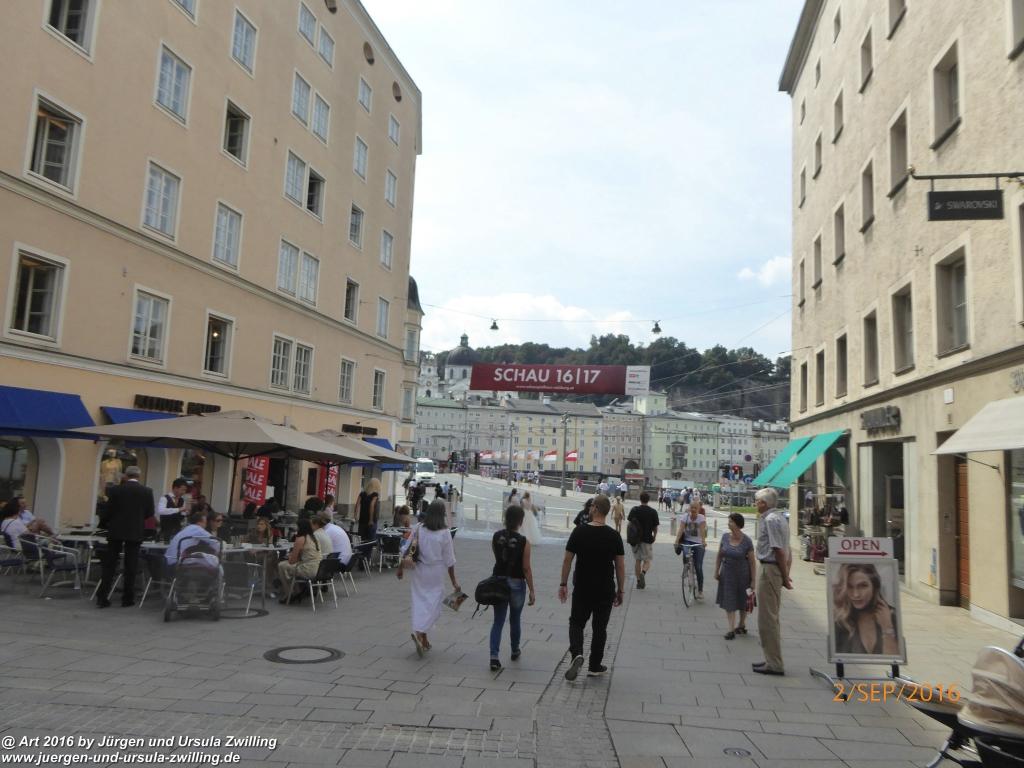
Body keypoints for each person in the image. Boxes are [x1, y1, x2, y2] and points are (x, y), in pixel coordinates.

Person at [559, 495, 625, 680]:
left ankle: (577, 654)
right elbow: (620, 566)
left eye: (591, 506)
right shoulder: (614, 536)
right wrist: (620, 590)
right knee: (600, 627)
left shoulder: (579, 532)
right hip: (605, 588)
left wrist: (563, 583)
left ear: (595, 508)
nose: (589, 509)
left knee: (577, 622)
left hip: (582, 586)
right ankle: (595, 665)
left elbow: (567, 560)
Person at [398, 500, 460, 657]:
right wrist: (454, 582)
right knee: (434, 605)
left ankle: (422, 637)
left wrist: (400, 569)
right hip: (436, 573)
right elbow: (450, 560)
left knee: (419, 602)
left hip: (419, 571)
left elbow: (406, 549)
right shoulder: (445, 533)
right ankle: (420, 634)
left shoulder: (418, 527)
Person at [95, 465, 154, 608]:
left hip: (116, 531)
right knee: (131, 565)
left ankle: (103, 596)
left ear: (125, 476)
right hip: (135, 531)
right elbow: (149, 512)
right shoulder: (146, 491)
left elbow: (108, 510)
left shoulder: (115, 490)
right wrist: (137, 518)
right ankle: (128, 598)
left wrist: (106, 523)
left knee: (110, 564)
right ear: (138, 477)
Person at [488, 505, 536, 671]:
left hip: (499, 582)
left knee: (498, 620)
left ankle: (494, 656)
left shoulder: (495, 537)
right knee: (515, 619)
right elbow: (526, 568)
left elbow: (498, 558)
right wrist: (532, 590)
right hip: (516, 583)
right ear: (520, 521)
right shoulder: (524, 542)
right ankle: (515, 649)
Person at [752, 487, 793, 676]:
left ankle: (774, 663)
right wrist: (786, 573)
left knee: (767, 619)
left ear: (764, 503)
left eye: (757, 500)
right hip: (773, 569)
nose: (755, 503)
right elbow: (787, 550)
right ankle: (771, 659)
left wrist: (785, 577)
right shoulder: (780, 518)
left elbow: (779, 550)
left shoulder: (770, 520)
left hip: (770, 569)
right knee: (770, 616)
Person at [832, 563, 899, 655]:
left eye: (863, 586)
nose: (856, 594)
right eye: (850, 587)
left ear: (874, 586)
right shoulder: (840, 620)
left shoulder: (892, 616)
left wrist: (887, 627)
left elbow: (894, 659)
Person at [714, 513, 756, 639]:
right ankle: (731, 629)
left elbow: (752, 562)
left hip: (743, 575)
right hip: (727, 574)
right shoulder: (725, 537)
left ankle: (741, 625)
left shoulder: (747, 541)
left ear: (738, 524)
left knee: (743, 600)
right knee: (729, 600)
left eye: (731, 521)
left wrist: (753, 580)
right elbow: (720, 555)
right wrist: (716, 571)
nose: (728, 523)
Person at [278, 518, 324, 604]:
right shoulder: (314, 537)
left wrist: (290, 556)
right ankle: (297, 590)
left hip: (308, 569)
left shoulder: (300, 539)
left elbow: (292, 561)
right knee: (288, 568)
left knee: (281, 565)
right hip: (319, 569)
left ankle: (289, 593)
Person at [674, 499, 708, 599]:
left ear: (699, 509)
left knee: (698, 567)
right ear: (689, 508)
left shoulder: (701, 518)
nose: (693, 509)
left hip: (698, 542)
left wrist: (703, 541)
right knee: (685, 552)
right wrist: (676, 541)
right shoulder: (685, 517)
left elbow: (702, 531)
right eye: (692, 507)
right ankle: (686, 566)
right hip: (687, 541)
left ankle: (700, 590)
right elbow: (681, 529)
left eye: (695, 508)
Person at [626, 492, 659, 589]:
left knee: (637, 560)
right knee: (647, 561)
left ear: (640, 499)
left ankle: (638, 581)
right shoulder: (653, 512)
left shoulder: (634, 510)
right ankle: (643, 573)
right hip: (647, 539)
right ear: (648, 500)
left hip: (635, 539)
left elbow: (630, 524)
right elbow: (655, 527)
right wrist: (655, 536)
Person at [157, 478, 189, 543]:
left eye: (185, 490)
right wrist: (179, 509)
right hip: (165, 532)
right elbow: (161, 511)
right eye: (182, 490)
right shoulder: (164, 498)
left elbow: (181, 516)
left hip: (177, 532)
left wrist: (186, 512)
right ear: (175, 488)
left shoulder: (182, 500)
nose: (183, 492)